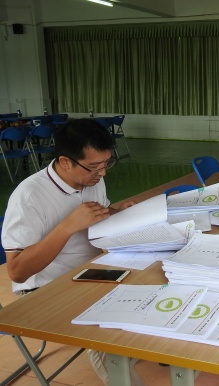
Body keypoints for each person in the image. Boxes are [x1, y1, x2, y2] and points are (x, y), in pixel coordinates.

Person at [1, 118, 143, 386]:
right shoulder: (29, 196)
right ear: (65, 161)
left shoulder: (91, 179)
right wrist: (67, 227)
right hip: (45, 288)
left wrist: (116, 213)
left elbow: (97, 215)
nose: (102, 173)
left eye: (107, 163)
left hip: (93, 272)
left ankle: (148, 348)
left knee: (156, 281)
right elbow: (17, 271)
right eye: (94, 167)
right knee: (104, 333)